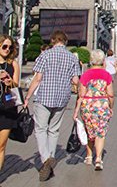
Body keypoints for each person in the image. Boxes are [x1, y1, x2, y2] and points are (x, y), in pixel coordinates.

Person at [24, 30, 81, 182]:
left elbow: (37, 78)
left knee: (41, 129)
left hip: (44, 97)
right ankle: (52, 156)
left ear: (53, 40)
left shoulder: (45, 55)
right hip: (62, 98)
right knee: (54, 130)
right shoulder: (72, 58)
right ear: (65, 41)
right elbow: (76, 80)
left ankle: (45, 159)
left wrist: (27, 96)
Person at [72, 49, 114, 171]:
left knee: (89, 130)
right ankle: (98, 159)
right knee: (100, 132)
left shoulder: (85, 75)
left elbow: (81, 94)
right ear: (102, 61)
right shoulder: (106, 75)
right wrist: (111, 107)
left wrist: (76, 111)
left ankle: (89, 156)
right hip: (102, 105)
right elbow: (110, 94)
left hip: (87, 105)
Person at [0, 35, 20, 172]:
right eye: (4, 46)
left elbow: (16, 84)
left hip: (8, 107)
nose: (7, 49)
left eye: (10, 47)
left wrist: (9, 81)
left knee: (1, 145)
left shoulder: (13, 64)